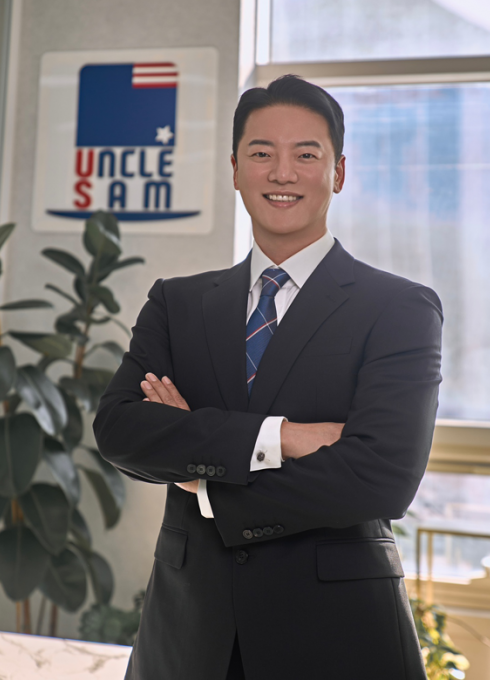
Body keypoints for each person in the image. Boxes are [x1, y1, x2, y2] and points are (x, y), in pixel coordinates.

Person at [93, 75, 443, 680]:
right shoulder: (177, 303)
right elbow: (121, 430)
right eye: (261, 153)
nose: (282, 173)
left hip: (338, 638)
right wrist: (283, 437)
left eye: (306, 154)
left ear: (338, 172)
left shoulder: (399, 308)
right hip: (187, 638)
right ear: (235, 169)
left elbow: (380, 478)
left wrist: (204, 481)